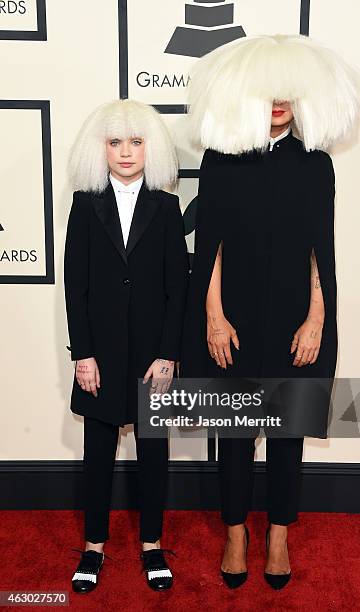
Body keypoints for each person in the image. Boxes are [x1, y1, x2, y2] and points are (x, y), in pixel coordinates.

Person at [180, 34, 360, 590]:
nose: (277, 101)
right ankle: (236, 534)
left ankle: (278, 534)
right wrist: (213, 316)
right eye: (266, 91)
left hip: (292, 320)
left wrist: (316, 319)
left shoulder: (316, 165)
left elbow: (320, 252)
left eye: (287, 92)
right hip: (232, 318)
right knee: (233, 434)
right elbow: (207, 248)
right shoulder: (220, 161)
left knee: (288, 434)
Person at [64, 99, 189, 593]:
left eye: (136, 142)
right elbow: (77, 284)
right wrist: (82, 354)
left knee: (153, 452)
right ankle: (93, 547)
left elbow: (177, 286)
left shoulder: (165, 206)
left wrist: (168, 352)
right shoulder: (84, 203)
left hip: (152, 354)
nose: (125, 152)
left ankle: (152, 545)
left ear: (149, 148)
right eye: (115, 142)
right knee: (97, 452)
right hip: (100, 353)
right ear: (102, 148)